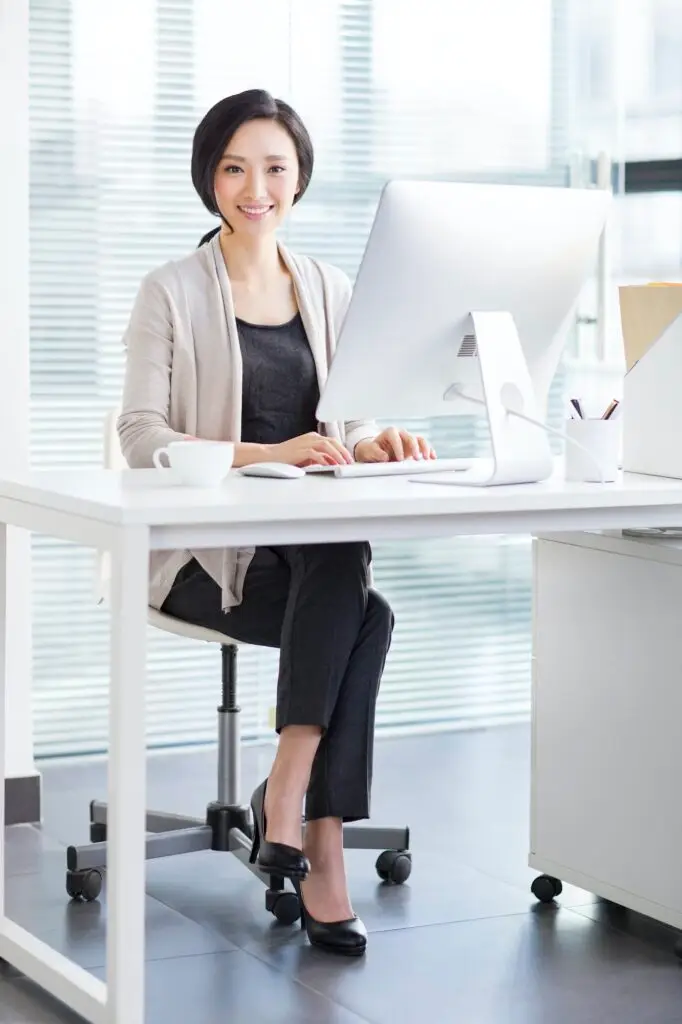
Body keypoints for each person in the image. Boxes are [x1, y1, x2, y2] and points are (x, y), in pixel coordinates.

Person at [117, 88, 436, 957]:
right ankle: (305, 822)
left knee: (348, 571)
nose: (254, 186)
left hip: (307, 560)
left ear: (299, 180)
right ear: (209, 179)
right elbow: (141, 436)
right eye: (234, 167)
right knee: (364, 608)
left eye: (274, 168)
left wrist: (372, 443)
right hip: (202, 562)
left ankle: (295, 803)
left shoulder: (327, 287)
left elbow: (347, 419)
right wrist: (273, 451)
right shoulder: (171, 291)